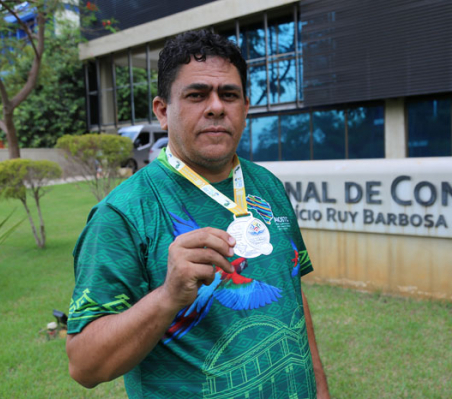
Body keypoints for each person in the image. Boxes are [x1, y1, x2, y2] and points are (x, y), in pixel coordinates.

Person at [66, 30, 330, 398]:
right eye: (196, 95)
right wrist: (168, 296)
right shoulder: (123, 212)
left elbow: (291, 291)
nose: (216, 107)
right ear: (162, 111)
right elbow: (84, 365)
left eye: (229, 95)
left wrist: (318, 385)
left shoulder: (267, 184)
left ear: (245, 108)